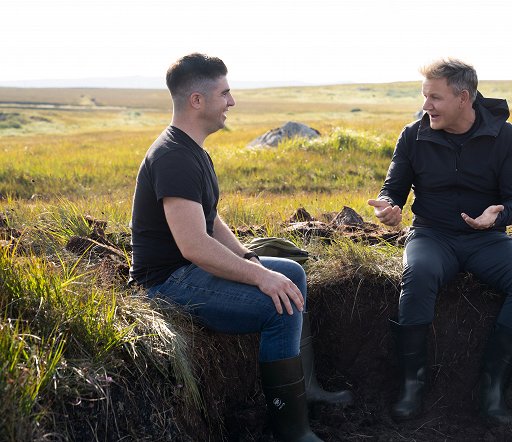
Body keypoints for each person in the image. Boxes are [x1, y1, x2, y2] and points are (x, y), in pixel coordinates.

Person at [129, 53, 351, 442]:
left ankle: (306, 388)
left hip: (188, 269)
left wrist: (250, 259)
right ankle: (292, 429)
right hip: (167, 281)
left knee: (292, 273)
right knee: (276, 307)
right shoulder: (173, 156)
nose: (231, 102)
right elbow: (195, 245)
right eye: (225, 93)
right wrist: (260, 277)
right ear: (197, 100)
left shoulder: (192, 148)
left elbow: (211, 220)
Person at [368, 58, 512, 425]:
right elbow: (393, 189)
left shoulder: (507, 136)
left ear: (464, 98)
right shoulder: (413, 134)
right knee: (417, 275)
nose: (426, 105)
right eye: (424, 96)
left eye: (435, 97)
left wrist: (498, 215)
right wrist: (388, 208)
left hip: (487, 240)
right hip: (432, 235)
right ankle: (412, 385)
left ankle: (491, 386)